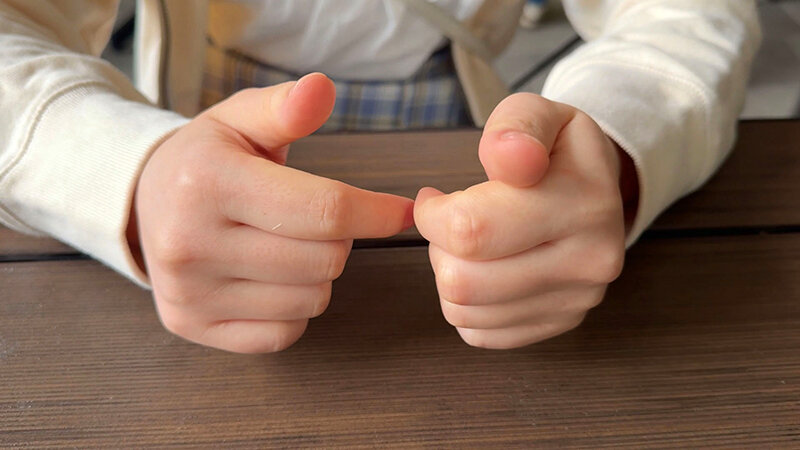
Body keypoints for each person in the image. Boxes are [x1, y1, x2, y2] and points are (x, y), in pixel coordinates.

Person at [0, 1, 761, 353]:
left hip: (465, 140)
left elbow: (691, 15)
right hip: (204, 128)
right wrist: (131, 170)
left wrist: (614, 146)